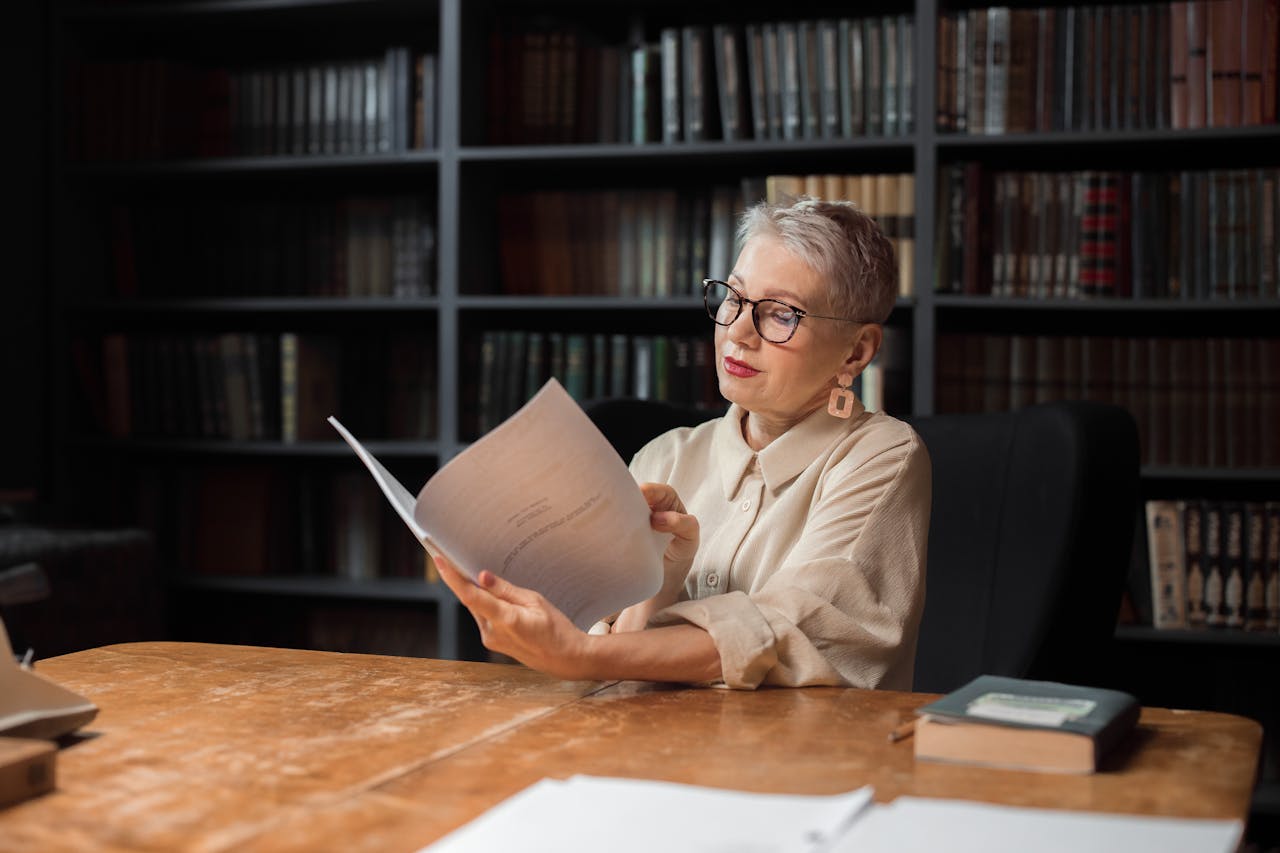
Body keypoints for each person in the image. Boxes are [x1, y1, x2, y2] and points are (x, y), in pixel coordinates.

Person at [437, 197, 931, 689]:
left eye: (781, 314)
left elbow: (790, 631)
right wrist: (656, 592)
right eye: (733, 298)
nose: (736, 332)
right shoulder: (663, 456)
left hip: (805, 759)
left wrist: (581, 652)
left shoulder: (881, 456)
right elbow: (612, 665)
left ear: (857, 351)